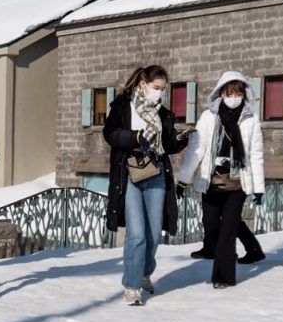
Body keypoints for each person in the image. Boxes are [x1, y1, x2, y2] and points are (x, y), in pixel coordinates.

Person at [104, 65, 189, 306]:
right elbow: (110, 134)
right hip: (130, 172)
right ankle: (132, 286)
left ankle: (144, 272)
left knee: (153, 235)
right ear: (143, 82)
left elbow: (168, 145)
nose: (159, 93)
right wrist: (135, 137)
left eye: (163, 89)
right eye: (155, 88)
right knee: (137, 234)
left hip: (157, 172)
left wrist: (180, 141)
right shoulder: (123, 105)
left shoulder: (163, 112)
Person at [177, 72, 265, 288]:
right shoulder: (208, 117)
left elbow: (256, 154)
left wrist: (259, 188)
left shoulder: (251, 119)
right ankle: (224, 258)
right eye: (229, 92)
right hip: (211, 180)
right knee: (211, 226)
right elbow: (196, 151)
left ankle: (223, 276)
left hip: (237, 182)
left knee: (228, 230)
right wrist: (183, 180)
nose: (233, 97)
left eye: (237, 92)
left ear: (244, 94)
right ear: (221, 93)